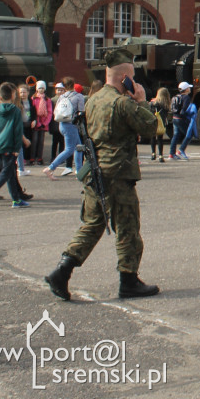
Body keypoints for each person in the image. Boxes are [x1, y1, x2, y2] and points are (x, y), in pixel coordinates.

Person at [44, 48, 161, 300]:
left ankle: (61, 271)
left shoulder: (93, 99)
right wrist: (141, 99)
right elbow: (151, 127)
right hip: (118, 173)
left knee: (94, 224)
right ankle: (129, 280)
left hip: (95, 172)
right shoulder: (123, 102)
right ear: (125, 78)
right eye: (132, 77)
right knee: (128, 228)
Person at [42, 78, 85, 178]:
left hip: (62, 124)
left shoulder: (61, 97)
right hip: (72, 125)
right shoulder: (78, 96)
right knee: (69, 149)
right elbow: (81, 111)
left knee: (79, 147)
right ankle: (50, 168)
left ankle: (79, 171)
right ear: (73, 84)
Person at [169, 82, 193, 160]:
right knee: (189, 134)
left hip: (174, 118)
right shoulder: (186, 97)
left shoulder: (176, 96)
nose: (190, 89)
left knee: (175, 135)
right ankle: (181, 149)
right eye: (188, 88)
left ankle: (171, 154)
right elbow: (184, 109)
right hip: (180, 119)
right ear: (186, 89)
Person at [30, 81, 53, 165]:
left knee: (41, 141)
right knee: (34, 140)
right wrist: (38, 123)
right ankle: (32, 157)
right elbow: (33, 112)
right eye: (39, 88)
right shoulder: (33, 99)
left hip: (44, 124)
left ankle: (39, 157)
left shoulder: (47, 100)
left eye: (43, 88)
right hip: (36, 123)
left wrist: (45, 123)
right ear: (36, 89)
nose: (41, 90)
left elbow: (50, 112)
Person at [17, 84, 36, 175]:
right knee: (21, 142)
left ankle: (28, 159)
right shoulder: (17, 102)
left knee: (29, 141)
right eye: (20, 92)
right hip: (20, 124)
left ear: (28, 93)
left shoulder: (31, 101)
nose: (22, 94)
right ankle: (21, 160)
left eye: (24, 92)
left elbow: (34, 112)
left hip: (29, 124)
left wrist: (34, 120)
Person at [149, 88, 171, 161]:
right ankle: (161, 156)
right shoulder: (166, 105)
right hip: (161, 123)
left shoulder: (153, 103)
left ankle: (153, 154)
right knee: (160, 139)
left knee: (153, 137)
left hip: (153, 122)